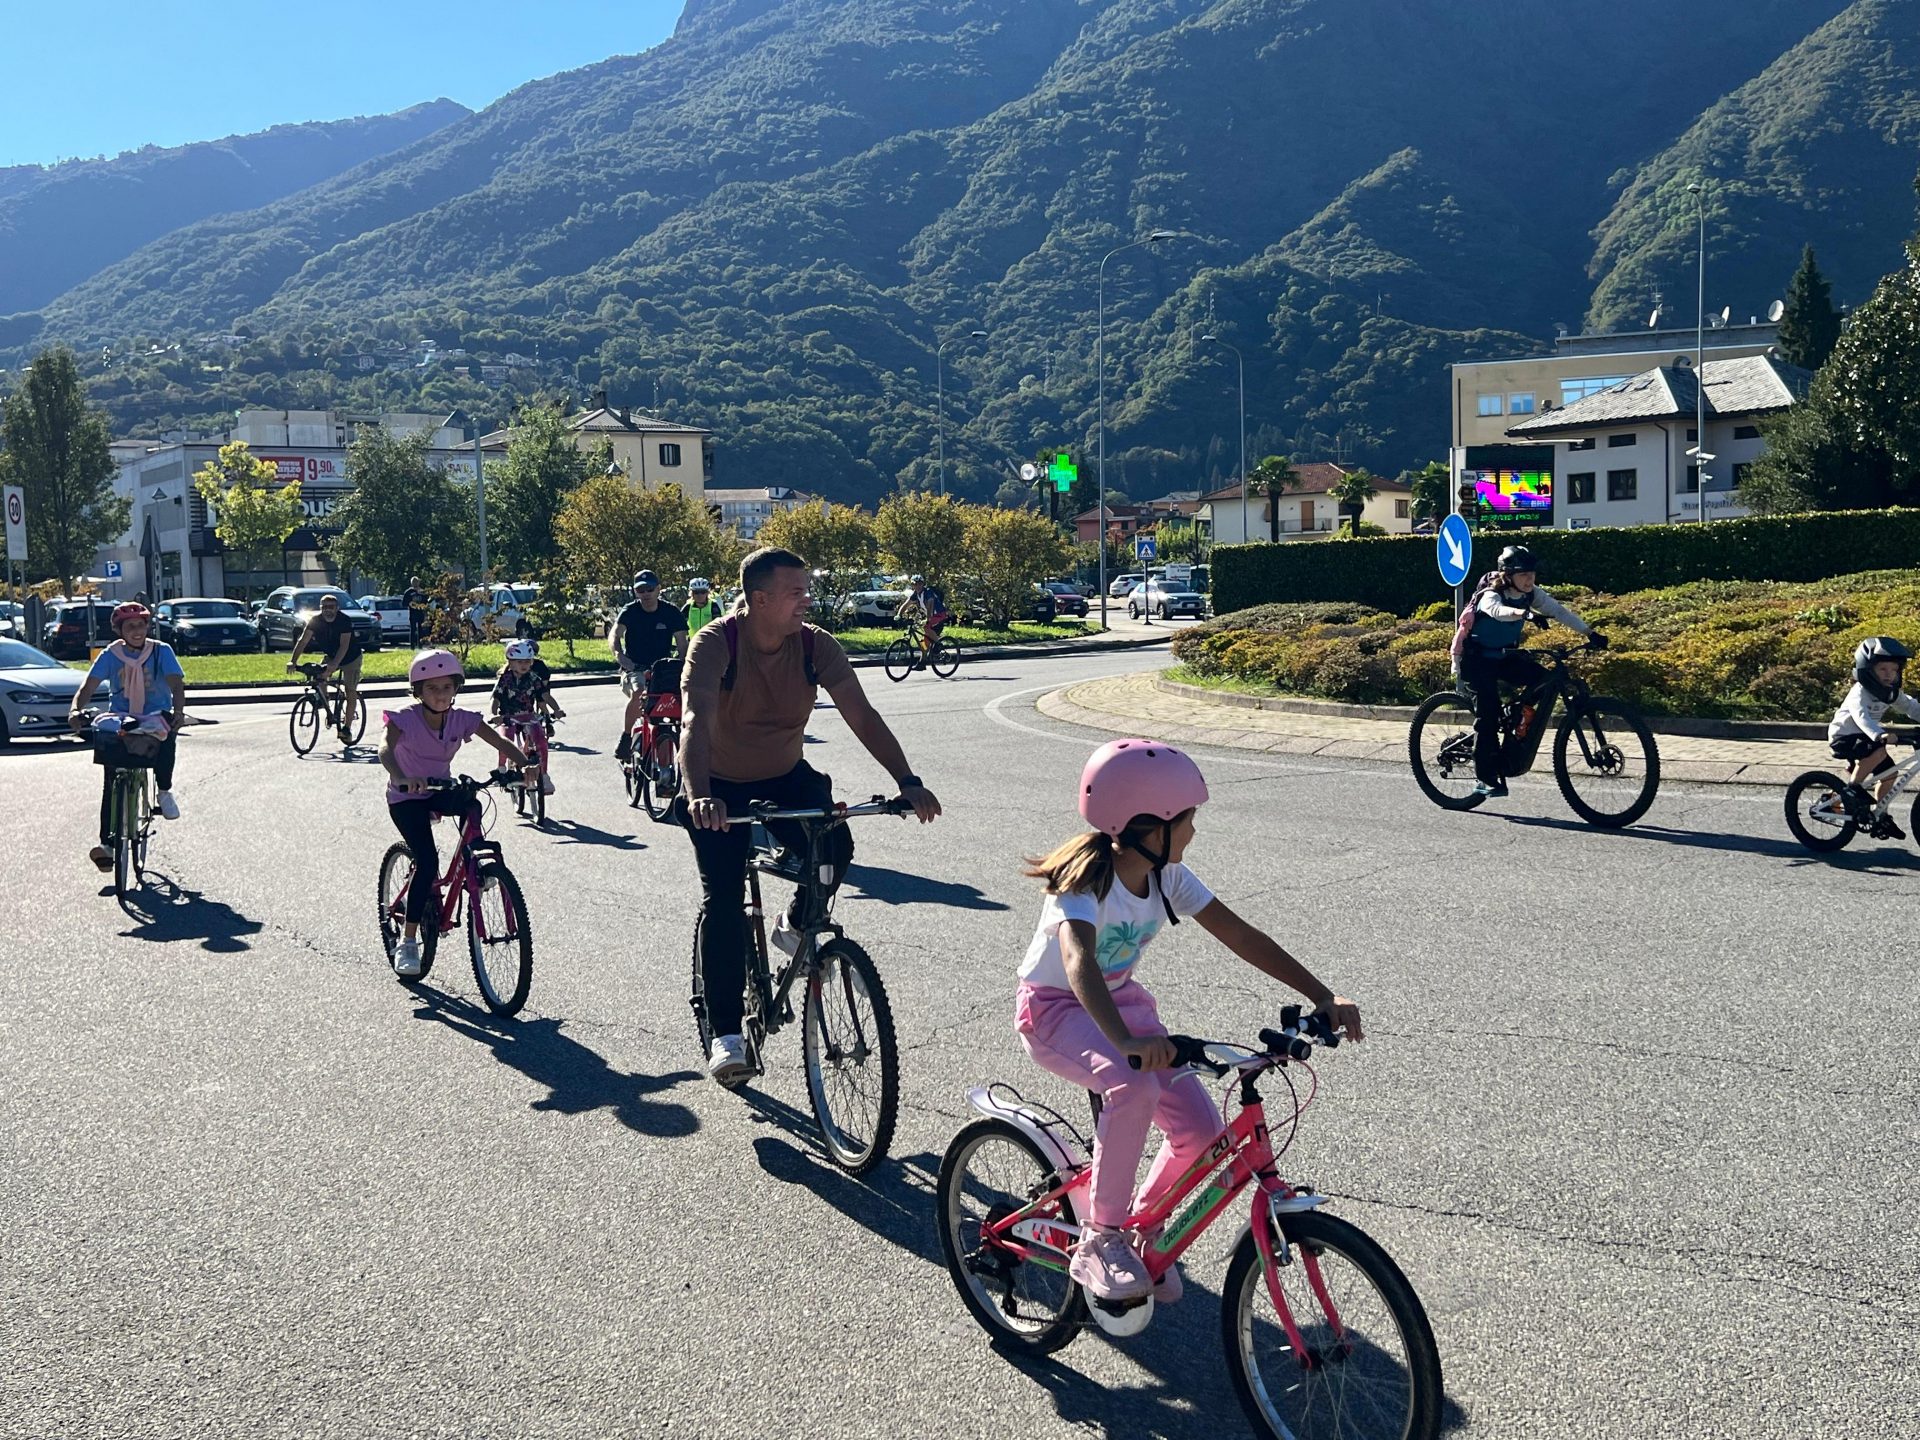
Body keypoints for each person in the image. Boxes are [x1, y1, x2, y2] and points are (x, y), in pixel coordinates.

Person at [1016, 738, 1363, 1304]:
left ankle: (1137, 1231)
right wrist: (1125, 1041)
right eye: (1188, 821)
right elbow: (1078, 960)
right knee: (1130, 1086)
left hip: (1125, 1007)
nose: (1195, 832)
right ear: (1148, 826)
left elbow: (1242, 935)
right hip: (1056, 1011)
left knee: (1204, 1137)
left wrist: (1322, 994)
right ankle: (1100, 1241)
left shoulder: (1168, 877)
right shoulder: (1084, 883)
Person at [682, 546, 941, 1084]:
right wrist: (699, 794)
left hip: (784, 774)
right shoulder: (716, 643)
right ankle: (726, 1034)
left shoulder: (815, 645)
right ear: (760, 599)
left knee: (835, 845)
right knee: (725, 900)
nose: (807, 599)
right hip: (719, 785)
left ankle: (795, 924)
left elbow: (861, 714)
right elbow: (694, 721)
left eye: (807, 590)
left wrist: (907, 781)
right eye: (796, 591)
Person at [378, 649, 539, 976]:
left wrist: (526, 766)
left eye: (447, 687)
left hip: (440, 789)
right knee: (427, 860)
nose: (440, 695)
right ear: (418, 691)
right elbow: (385, 747)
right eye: (432, 688)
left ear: (456, 688)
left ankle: (472, 863)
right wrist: (401, 777)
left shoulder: (461, 719)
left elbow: (499, 742)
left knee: (472, 801)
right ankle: (408, 943)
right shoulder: (405, 719)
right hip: (407, 797)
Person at [1453, 544, 1605, 801]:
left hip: (1504, 655)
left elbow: (1558, 611)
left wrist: (1589, 633)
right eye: (1523, 574)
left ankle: (1516, 716)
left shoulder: (1531, 593)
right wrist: (1524, 614)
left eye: (1532, 574)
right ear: (1508, 574)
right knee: (1488, 716)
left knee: (1543, 679)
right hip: (1476, 660)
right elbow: (1497, 612)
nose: (1530, 579)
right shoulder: (1492, 593)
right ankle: (1484, 779)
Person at [67, 602, 186, 872]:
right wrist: (75, 709)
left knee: (166, 732)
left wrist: (178, 712)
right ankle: (107, 846)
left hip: (155, 713)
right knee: (111, 779)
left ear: (147, 627)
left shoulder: (160, 651)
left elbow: (176, 683)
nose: (136, 630)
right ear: (119, 630)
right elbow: (88, 686)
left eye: (141, 625)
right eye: (130, 626)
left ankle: (164, 791)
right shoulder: (111, 654)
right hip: (123, 718)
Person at [1828, 636, 1920, 838]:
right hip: (1844, 735)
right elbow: (1861, 717)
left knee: (1889, 773)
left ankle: (1880, 815)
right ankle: (1852, 790)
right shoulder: (1859, 692)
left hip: (1868, 737)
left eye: (1894, 670)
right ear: (1867, 670)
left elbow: (1911, 707)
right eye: (1883, 669)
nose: (1889, 675)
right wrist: (1879, 734)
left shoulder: (1890, 693)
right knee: (1878, 751)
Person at [611, 570, 688, 761]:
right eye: (641, 590)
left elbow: (682, 643)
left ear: (658, 590)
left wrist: (685, 665)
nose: (646, 594)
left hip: (664, 669)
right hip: (635, 668)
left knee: (677, 700)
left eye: (650, 589)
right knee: (640, 692)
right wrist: (619, 655)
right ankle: (626, 737)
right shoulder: (630, 611)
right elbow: (615, 634)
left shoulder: (671, 612)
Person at [287, 592, 364, 744]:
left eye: (331, 607)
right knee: (320, 677)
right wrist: (293, 661)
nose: (328, 610)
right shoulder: (315, 621)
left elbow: (344, 645)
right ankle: (326, 704)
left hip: (351, 657)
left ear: (337, 608)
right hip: (331, 655)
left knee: (350, 690)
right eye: (324, 607)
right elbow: (303, 641)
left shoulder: (344, 621)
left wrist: (335, 664)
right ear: (320, 608)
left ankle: (346, 729)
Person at [490, 638, 561, 796]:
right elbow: (495, 699)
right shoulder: (505, 679)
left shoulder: (533, 678)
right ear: (511, 662)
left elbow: (545, 696)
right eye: (520, 662)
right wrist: (495, 715)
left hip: (529, 716)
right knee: (505, 740)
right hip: (508, 716)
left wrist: (557, 709)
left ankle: (544, 774)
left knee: (541, 741)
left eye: (528, 662)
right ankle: (502, 769)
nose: (524, 665)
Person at [893, 575, 952, 656]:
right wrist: (898, 615)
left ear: (923, 584)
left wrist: (928, 619)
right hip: (932, 616)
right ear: (912, 585)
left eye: (920, 584)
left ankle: (939, 645)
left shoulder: (928, 592)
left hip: (939, 615)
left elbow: (930, 606)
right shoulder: (915, 594)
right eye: (915, 584)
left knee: (926, 627)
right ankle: (921, 663)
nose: (918, 586)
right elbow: (906, 605)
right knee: (924, 644)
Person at [401, 575, 429, 646]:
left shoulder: (422, 592)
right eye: (414, 582)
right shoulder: (408, 592)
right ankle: (412, 646)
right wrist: (410, 604)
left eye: (417, 582)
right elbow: (404, 603)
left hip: (420, 613)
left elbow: (426, 602)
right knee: (413, 629)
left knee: (421, 630)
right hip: (413, 613)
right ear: (412, 583)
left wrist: (425, 611)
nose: (416, 583)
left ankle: (420, 645)